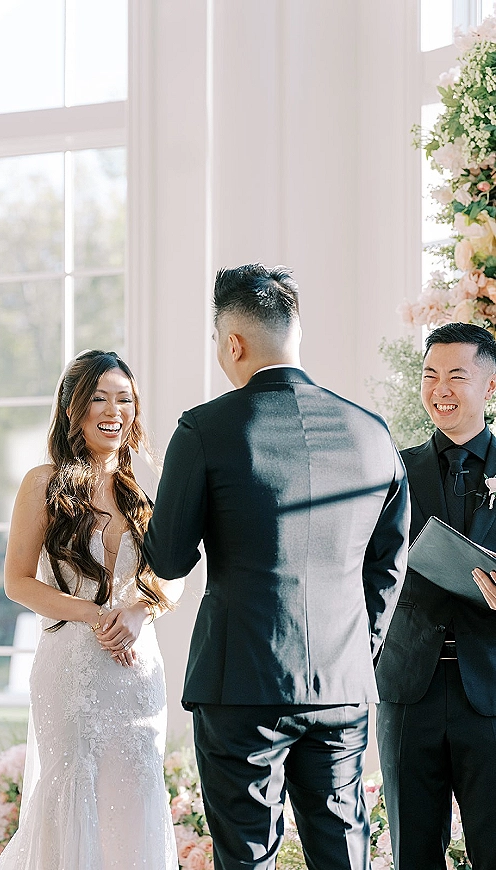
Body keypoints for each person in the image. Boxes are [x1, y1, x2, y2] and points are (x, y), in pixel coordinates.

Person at [142, 264, 409, 870]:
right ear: (295, 332)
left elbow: (169, 558)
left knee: (247, 857)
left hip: (241, 683)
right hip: (340, 685)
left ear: (233, 343)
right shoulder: (372, 433)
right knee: (343, 851)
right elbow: (388, 565)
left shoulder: (204, 429)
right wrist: (357, 648)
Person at [0, 350, 182, 870]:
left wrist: (141, 610)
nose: (114, 411)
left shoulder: (147, 487)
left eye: (125, 399)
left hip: (138, 672)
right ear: (72, 408)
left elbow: (177, 572)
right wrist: (92, 614)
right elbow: (17, 581)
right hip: (71, 669)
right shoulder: (43, 482)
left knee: (136, 800)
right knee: (72, 797)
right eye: (99, 398)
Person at [376, 322, 496, 870]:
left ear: (489, 386)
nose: (439, 389)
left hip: (490, 691)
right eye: (429, 376)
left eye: (456, 376)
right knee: (413, 854)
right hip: (408, 690)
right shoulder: (392, 470)